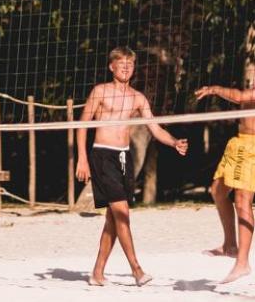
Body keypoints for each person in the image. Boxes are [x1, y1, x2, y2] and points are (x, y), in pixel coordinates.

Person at [196, 0, 255, 285]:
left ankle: (243, 262)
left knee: (243, 201)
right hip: (238, 143)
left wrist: (216, 89)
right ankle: (230, 245)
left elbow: (243, 98)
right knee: (218, 190)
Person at [77, 46, 188, 287]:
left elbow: (154, 127)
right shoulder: (100, 91)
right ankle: (137, 269)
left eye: (130, 63)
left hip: (124, 157)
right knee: (122, 214)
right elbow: (82, 124)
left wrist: (173, 142)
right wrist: (82, 158)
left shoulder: (137, 97)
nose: (126, 67)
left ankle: (97, 272)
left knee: (113, 219)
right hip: (102, 155)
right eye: (121, 63)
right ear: (111, 67)